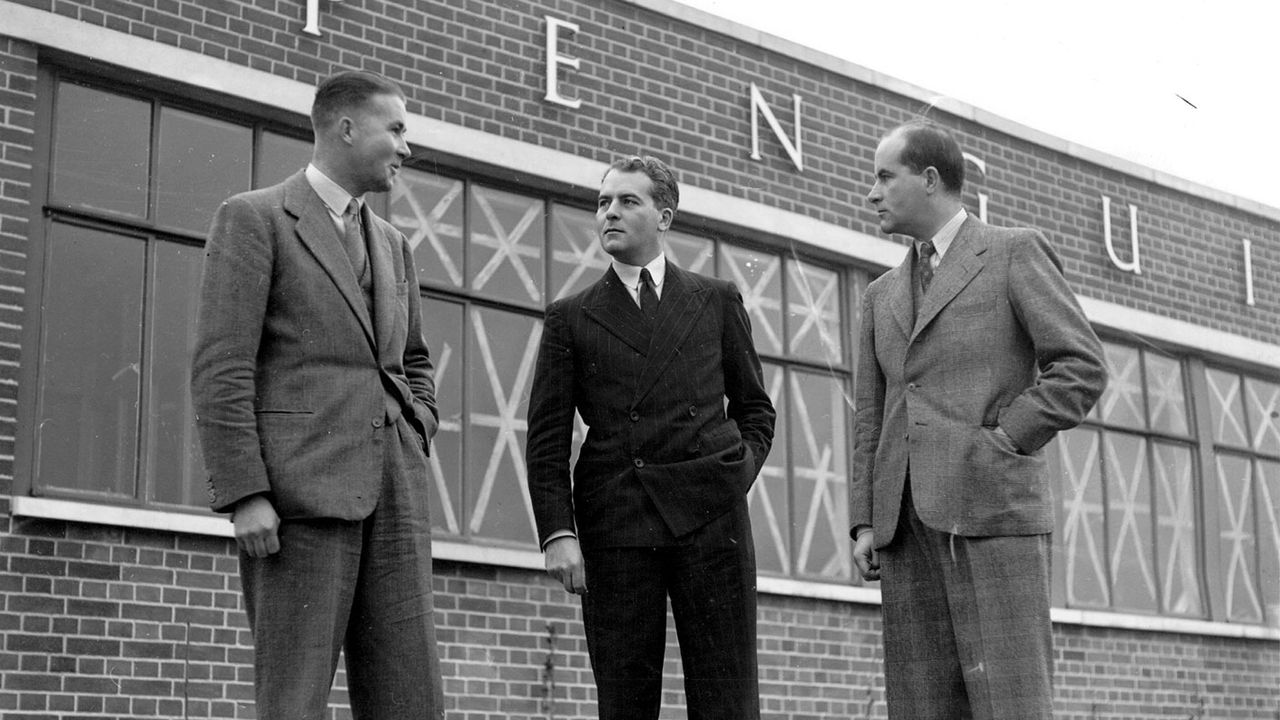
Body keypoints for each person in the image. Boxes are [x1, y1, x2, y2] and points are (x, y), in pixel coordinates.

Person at [191, 70, 443, 719]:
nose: (406, 148)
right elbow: (223, 367)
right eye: (397, 130)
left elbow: (413, 359)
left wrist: (418, 424)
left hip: (397, 497)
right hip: (299, 503)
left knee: (409, 700)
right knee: (294, 701)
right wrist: (246, 492)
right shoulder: (254, 219)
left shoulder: (394, 245)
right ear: (346, 127)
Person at [850, 120, 1106, 719]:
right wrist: (864, 520)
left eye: (886, 176)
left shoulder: (1013, 252)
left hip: (993, 512)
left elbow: (1081, 366)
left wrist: (1006, 439)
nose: (872, 192)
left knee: (1010, 705)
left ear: (931, 179)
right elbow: (871, 417)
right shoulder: (879, 294)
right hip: (905, 529)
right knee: (921, 709)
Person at [525, 155, 776, 720]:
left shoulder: (715, 300)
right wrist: (557, 532)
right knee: (625, 701)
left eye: (627, 202)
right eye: (602, 203)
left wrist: (734, 473)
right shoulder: (572, 316)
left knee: (727, 700)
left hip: (711, 522)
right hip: (617, 524)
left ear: (665, 217)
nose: (609, 213)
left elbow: (757, 410)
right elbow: (545, 438)